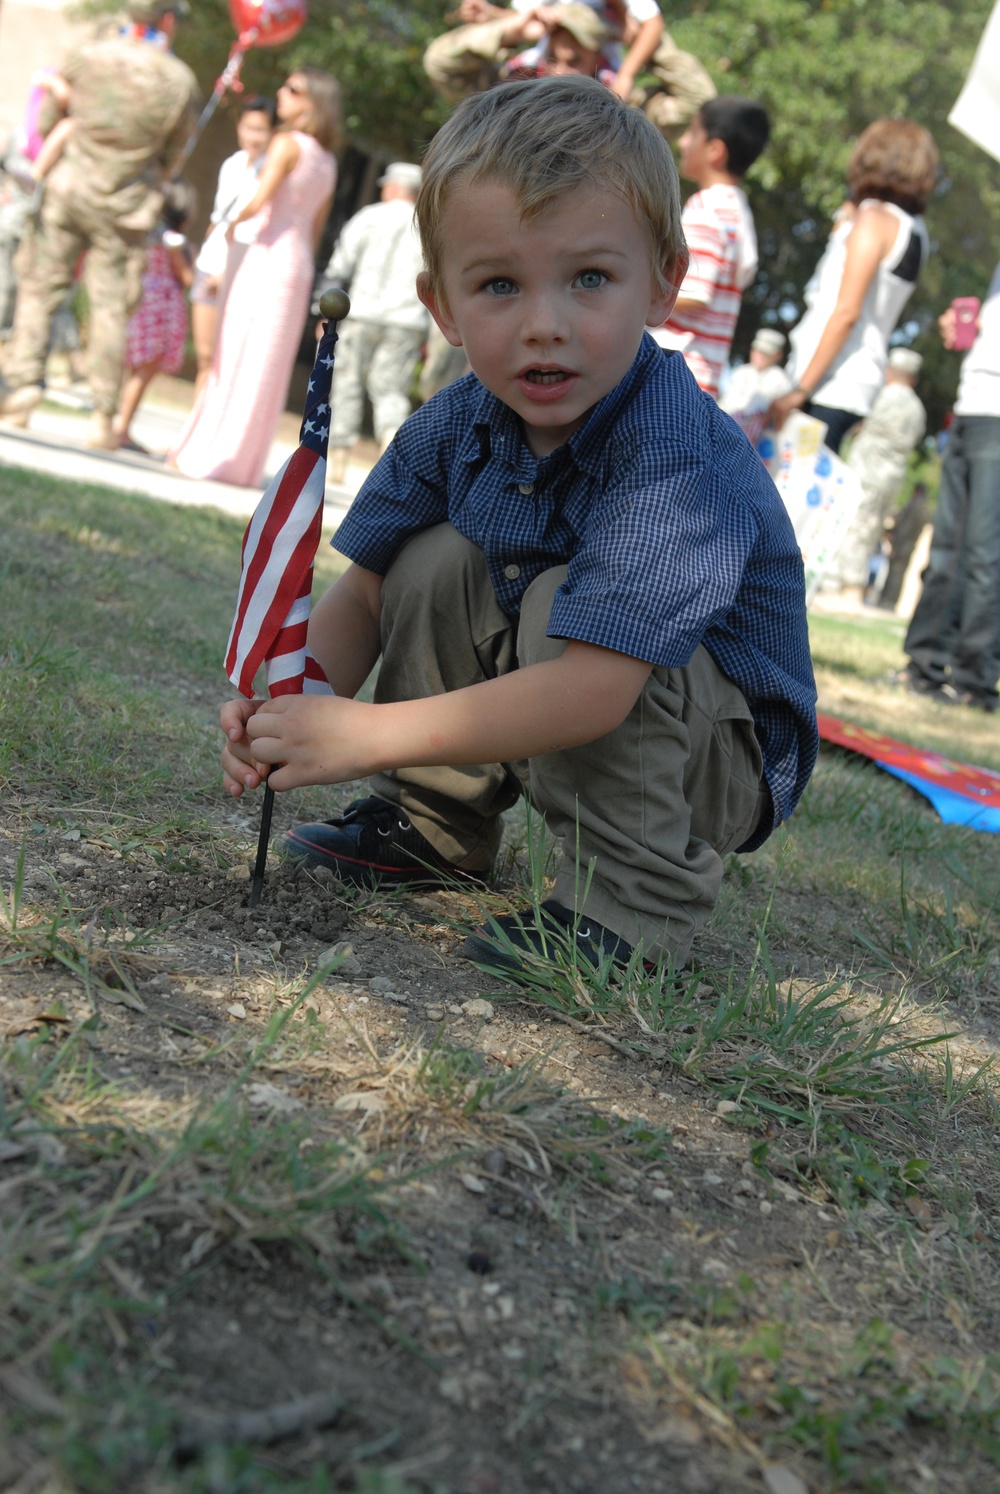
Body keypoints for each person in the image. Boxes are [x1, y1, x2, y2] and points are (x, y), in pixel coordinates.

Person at [220, 76, 818, 976]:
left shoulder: (673, 454)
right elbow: (370, 590)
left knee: (557, 602)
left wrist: (363, 732)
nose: (546, 325)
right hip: (574, 690)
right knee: (432, 556)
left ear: (663, 283)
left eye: (589, 278)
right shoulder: (455, 420)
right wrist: (292, 701)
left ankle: (635, 898)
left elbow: (594, 689)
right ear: (443, 307)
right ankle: (433, 823)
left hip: (719, 755)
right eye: (500, 284)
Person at [0, 0, 198, 449]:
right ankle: (102, 416)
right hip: (126, 204)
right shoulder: (177, 81)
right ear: (167, 20)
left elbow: (50, 120)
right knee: (111, 306)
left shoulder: (88, 56)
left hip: (67, 191)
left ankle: (22, 391)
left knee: (40, 288)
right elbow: (175, 152)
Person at [169, 69, 339, 489]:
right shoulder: (329, 160)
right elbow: (315, 231)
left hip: (263, 254)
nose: (282, 93)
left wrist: (226, 224)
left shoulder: (286, 144)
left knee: (235, 356)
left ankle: (212, 454)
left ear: (312, 102)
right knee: (267, 366)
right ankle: (241, 464)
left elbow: (259, 200)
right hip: (295, 264)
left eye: (293, 89)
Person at [770, 119, 938, 454]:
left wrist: (800, 390)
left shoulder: (873, 221)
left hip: (828, 383)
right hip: (858, 382)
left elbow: (846, 310)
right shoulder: (914, 231)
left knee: (789, 500)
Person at [898, 268, 1000, 712]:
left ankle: (976, 682)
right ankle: (924, 668)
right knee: (947, 553)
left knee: (984, 555)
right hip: (970, 406)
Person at [424, 0, 715, 138]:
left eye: (574, 61)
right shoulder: (507, 92)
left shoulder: (624, 113)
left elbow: (697, 100)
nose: (559, 72)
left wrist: (643, 36)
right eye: (553, 56)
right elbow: (440, 63)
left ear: (598, 59)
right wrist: (513, 29)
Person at [651, 97, 769, 400]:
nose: (683, 143)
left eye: (692, 133)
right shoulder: (737, 211)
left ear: (715, 150)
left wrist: (626, 298)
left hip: (671, 375)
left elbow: (693, 292)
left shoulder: (707, 208)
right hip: (703, 379)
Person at [318, 161, 429, 483]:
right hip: (406, 319)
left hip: (360, 312)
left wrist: (326, 314)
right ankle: (387, 449)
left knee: (347, 382)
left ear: (392, 186)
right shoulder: (427, 225)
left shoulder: (369, 217)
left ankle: (339, 457)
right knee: (392, 389)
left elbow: (340, 266)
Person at [814, 346, 926, 609]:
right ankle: (851, 587)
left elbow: (861, 427)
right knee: (871, 530)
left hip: (866, 474)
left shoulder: (882, 396)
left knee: (855, 529)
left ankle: (848, 590)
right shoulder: (917, 407)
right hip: (892, 478)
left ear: (890, 371)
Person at [189, 95, 275, 397]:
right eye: (248, 127)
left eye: (261, 129)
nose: (253, 136)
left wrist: (227, 273)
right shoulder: (233, 163)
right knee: (204, 356)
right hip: (210, 261)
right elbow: (219, 217)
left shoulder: (272, 170)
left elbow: (258, 228)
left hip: (240, 269)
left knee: (224, 361)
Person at [114, 179, 195, 452]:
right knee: (144, 370)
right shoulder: (173, 241)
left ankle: (117, 423)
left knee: (134, 367)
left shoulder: (147, 236)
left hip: (141, 300)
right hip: (162, 306)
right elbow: (186, 276)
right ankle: (122, 428)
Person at [718, 327, 792, 445]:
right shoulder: (740, 372)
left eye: (766, 353)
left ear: (777, 355)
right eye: (758, 350)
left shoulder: (781, 381)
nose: (760, 356)